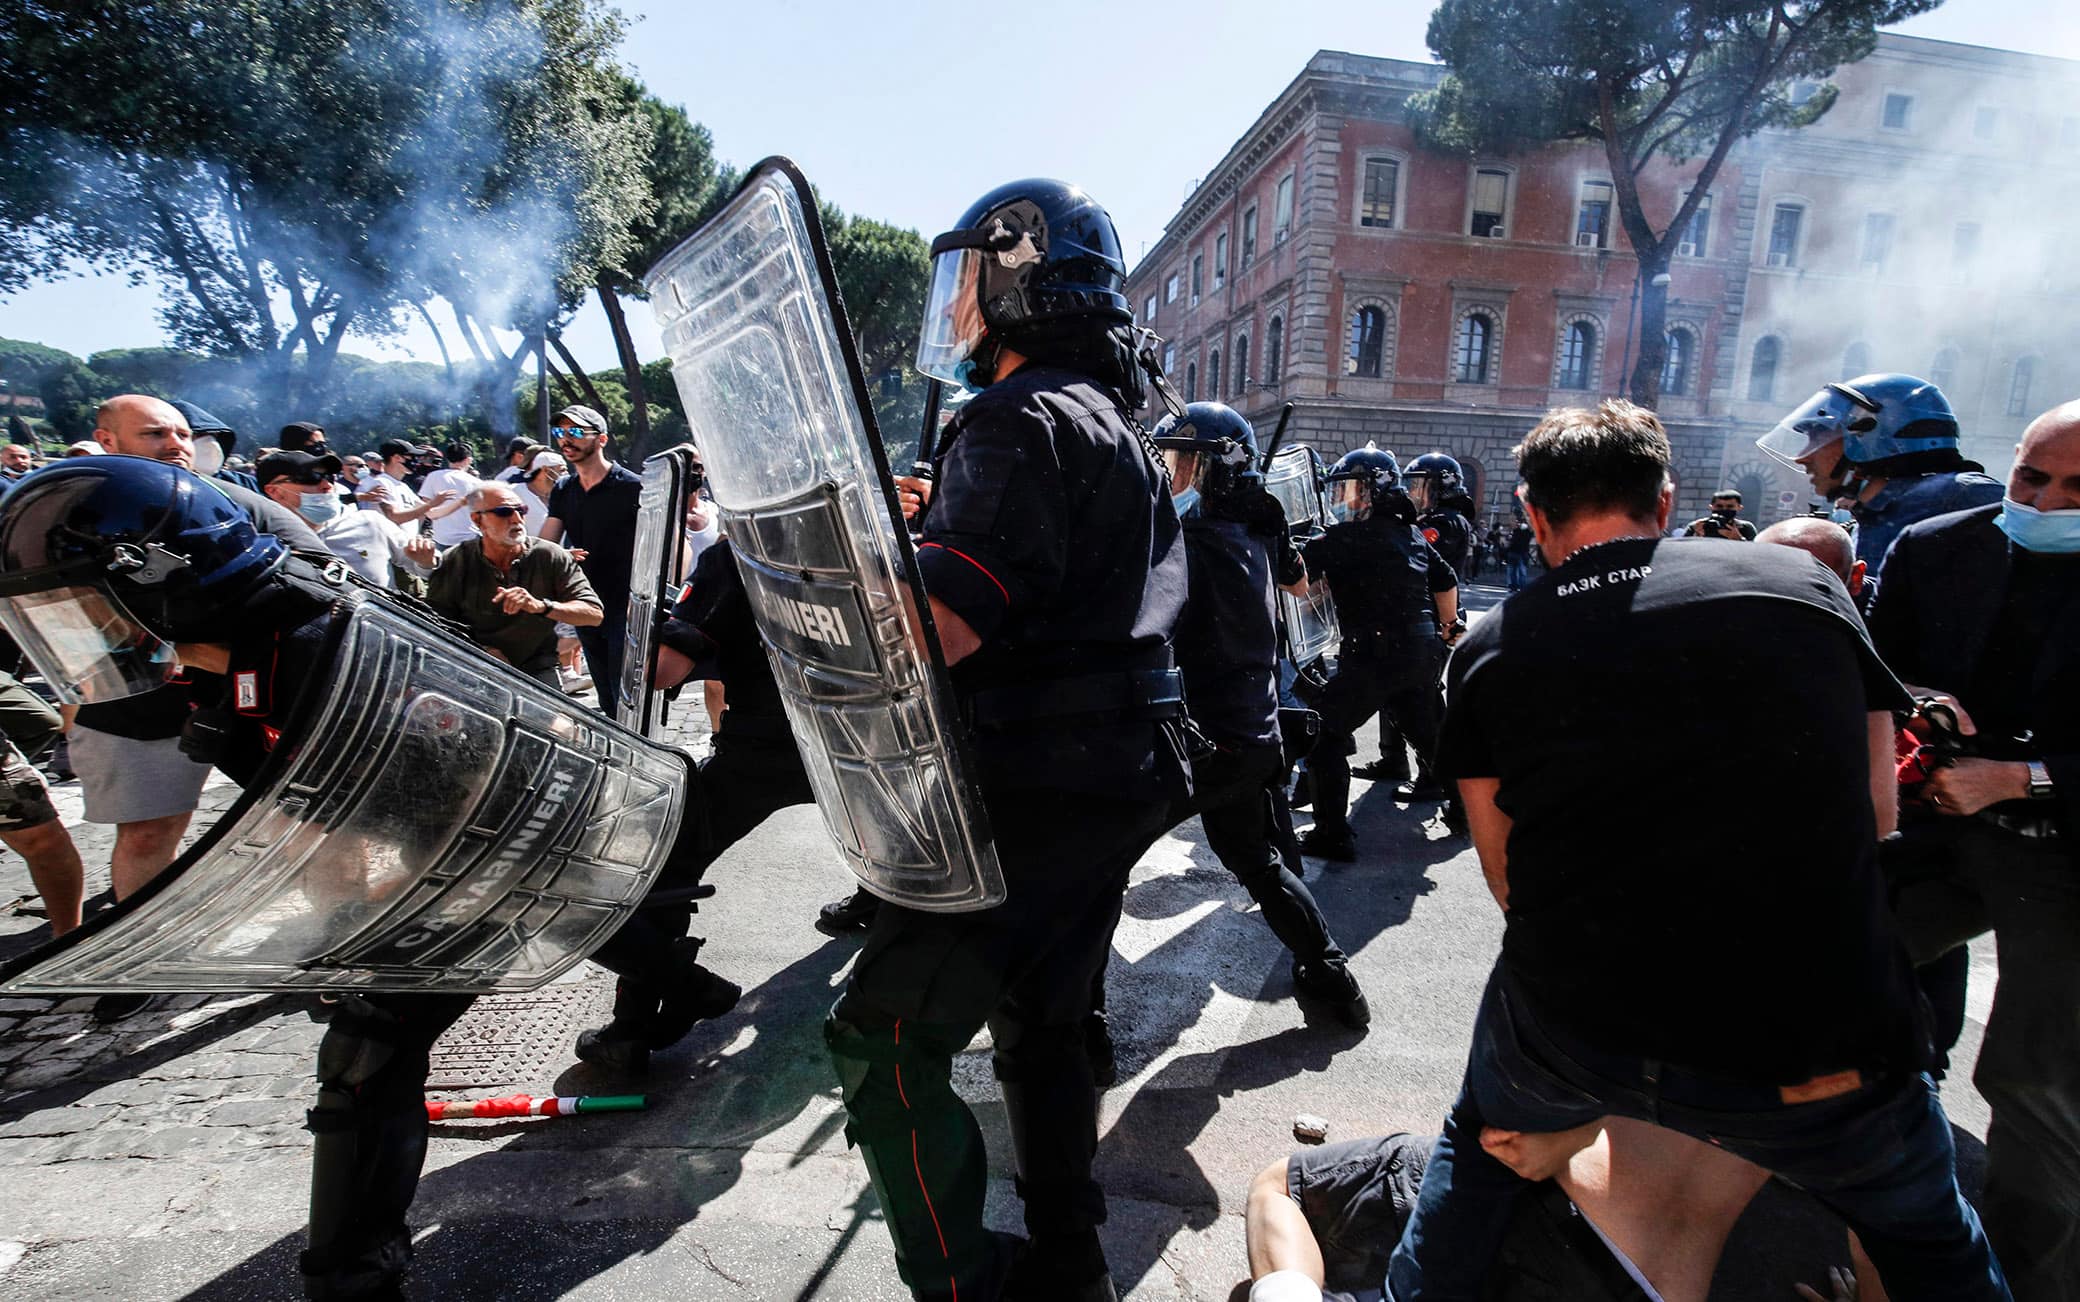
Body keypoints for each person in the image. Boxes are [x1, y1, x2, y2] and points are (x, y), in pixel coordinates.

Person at [0, 454, 727, 1300]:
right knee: (558, 919)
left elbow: (442, 783)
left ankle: (352, 1274)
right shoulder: (232, 644)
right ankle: (690, 984)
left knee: (377, 1042)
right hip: (449, 858)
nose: (96, 631)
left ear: (164, 581)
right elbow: (244, 750)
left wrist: (382, 900)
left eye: (95, 607)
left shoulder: (317, 636)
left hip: (480, 836)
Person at [1383, 399, 2006, 1302]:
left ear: (1530, 513)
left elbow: (1505, 872)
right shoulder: (1804, 589)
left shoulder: (1491, 647)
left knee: (1479, 1157)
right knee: (1932, 1247)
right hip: (1814, 1036)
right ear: (1666, 503)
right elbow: (1875, 816)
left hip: (1578, 1022)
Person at [825, 176, 1188, 1302]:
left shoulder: (1014, 419)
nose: (959, 308)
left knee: (881, 1041)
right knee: (1043, 1023)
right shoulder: (1109, 420)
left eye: (970, 281)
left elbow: (942, 625)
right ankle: (1069, 1263)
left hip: (1027, 784)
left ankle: (960, 1280)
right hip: (1105, 777)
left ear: (1020, 274)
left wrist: (828, 588)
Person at [1865, 400, 2080, 1301]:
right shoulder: (1938, 544)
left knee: (2037, 1083)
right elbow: (1874, 671)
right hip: (1939, 826)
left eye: (2072, 490)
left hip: (2065, 851)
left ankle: (2034, 1283)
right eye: (2031, 475)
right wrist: (1919, 698)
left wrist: (2022, 777)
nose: (2040, 499)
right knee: (1821, 966)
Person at [1098, 401, 1368, 1040]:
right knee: (1257, 861)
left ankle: (1082, 1028)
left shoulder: (1190, 544)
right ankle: (1337, 987)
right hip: (1253, 732)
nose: (1171, 473)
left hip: (1198, 740)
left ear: (1215, 469)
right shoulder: (1256, 533)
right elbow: (1296, 585)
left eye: (1182, 460)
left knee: (1101, 865)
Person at [74, 395, 325, 1021]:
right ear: (108, 440)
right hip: (137, 703)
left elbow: (320, 579)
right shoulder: (71, 517)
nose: (175, 444)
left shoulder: (232, 502)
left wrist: (209, 649)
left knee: (303, 828)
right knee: (148, 832)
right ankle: (135, 961)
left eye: (183, 433)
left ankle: (328, 948)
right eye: (155, 432)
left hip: (249, 697)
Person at [574, 531, 808, 1070]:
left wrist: (648, 625)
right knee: (907, 858)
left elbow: (662, 670)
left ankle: (631, 1030)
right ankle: (875, 905)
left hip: (762, 750)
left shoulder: (741, 549)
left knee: (661, 865)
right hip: (865, 747)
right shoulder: (871, 534)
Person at [1246, 1118, 1773, 1302]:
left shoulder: (1666, 910)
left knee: (1281, 1186)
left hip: (1557, 1200)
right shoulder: (1851, 998)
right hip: (1661, 1287)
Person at [1293, 445, 1462, 862]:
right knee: (1431, 738)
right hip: (1421, 653)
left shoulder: (1342, 537)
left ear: (1372, 493)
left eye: (1349, 490)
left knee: (1325, 736)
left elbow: (1295, 584)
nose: (1342, 500)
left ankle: (1332, 835)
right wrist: (1446, 627)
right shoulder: (1411, 535)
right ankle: (1465, 812)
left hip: (1372, 656)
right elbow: (1446, 580)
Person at [1758, 372, 2002, 573]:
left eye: (1818, 435)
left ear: (1868, 436)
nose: (1803, 456)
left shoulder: (1964, 496)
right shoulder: (1866, 519)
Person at [424, 483, 602, 689]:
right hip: (472, 666)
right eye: (503, 512)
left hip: (537, 668)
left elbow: (593, 613)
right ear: (477, 519)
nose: (517, 519)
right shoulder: (456, 560)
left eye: (521, 510)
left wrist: (541, 606)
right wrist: (482, 650)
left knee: (556, 721)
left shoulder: (550, 555)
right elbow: (435, 624)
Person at [538, 406, 641, 698]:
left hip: (628, 607)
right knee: (607, 694)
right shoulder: (563, 488)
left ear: (602, 439)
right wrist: (556, 557)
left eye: (577, 432)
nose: (566, 440)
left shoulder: (632, 487)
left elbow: (663, 545)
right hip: (584, 603)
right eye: (560, 432)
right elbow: (547, 542)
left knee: (627, 695)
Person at [257, 450, 436, 588]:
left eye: (329, 477)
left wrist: (425, 561)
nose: (326, 485)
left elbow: (427, 568)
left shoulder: (369, 522)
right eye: (311, 478)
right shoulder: (264, 545)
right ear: (275, 491)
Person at [367, 438, 463, 532]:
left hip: (406, 544)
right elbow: (394, 517)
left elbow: (431, 513)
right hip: (388, 545)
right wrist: (432, 503)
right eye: (412, 456)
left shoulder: (403, 487)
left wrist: (461, 503)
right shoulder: (380, 483)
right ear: (397, 458)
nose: (416, 460)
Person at [417, 442, 482, 549]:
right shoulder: (476, 482)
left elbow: (425, 507)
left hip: (442, 538)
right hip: (471, 537)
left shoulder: (433, 476)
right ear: (468, 460)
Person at [1680, 487, 1757, 540]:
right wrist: (1696, 536)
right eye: (1719, 506)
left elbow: (1756, 553)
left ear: (1739, 508)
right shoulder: (1697, 526)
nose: (1724, 510)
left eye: (1730, 507)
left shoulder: (1746, 528)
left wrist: (1739, 539)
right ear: (1711, 507)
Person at [520, 449, 565, 536]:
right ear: (546, 470)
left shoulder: (564, 495)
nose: (566, 474)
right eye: (562, 470)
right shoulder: (516, 493)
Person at [1502, 513, 1533, 593]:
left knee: (1521, 571)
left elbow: (1531, 528)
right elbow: (1508, 542)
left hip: (1522, 553)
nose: (1514, 523)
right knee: (1512, 571)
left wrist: (1527, 517)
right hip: (1512, 553)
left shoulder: (1525, 531)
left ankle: (1521, 587)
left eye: (1516, 522)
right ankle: (1513, 587)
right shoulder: (1513, 532)